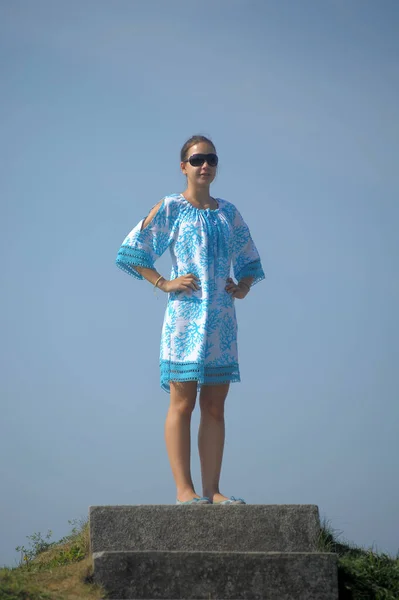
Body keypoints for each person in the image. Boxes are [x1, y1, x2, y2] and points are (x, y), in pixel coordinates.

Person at [116, 135, 265, 505]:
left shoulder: (229, 213)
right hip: (184, 321)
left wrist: (243, 285)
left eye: (211, 159)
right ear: (184, 166)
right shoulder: (171, 207)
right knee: (182, 404)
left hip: (221, 323)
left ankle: (212, 490)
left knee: (215, 406)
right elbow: (132, 251)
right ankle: (185, 490)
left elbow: (249, 260)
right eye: (197, 160)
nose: (205, 166)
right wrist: (164, 282)